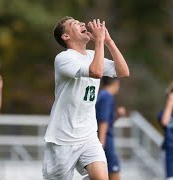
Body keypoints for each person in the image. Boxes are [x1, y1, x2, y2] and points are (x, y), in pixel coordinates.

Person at [42, 16, 130, 180]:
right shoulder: (64, 58)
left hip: (88, 136)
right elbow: (96, 72)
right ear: (66, 37)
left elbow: (123, 72)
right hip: (62, 138)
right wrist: (99, 42)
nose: (82, 24)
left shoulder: (92, 55)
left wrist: (108, 41)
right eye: (75, 24)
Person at [95, 77, 127, 180]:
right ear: (116, 83)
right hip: (105, 140)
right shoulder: (107, 97)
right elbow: (103, 121)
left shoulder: (101, 95)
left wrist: (117, 115)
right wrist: (101, 144)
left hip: (102, 138)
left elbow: (107, 120)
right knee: (114, 170)